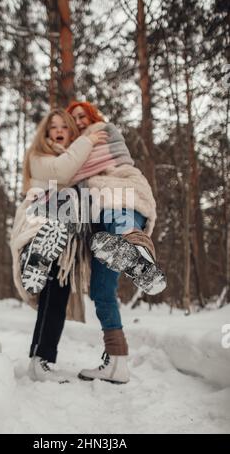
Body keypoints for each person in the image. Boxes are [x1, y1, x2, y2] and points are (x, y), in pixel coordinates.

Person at [65, 100, 166, 383]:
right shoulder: (75, 147)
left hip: (122, 189)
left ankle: (139, 254)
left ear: (92, 115)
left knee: (115, 210)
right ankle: (117, 363)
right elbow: (69, 175)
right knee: (101, 291)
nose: (80, 121)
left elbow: (110, 162)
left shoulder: (104, 130)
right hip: (100, 230)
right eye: (75, 119)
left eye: (83, 115)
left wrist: (81, 150)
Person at [10, 108, 107, 382]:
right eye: (53, 126)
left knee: (56, 296)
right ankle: (36, 257)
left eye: (63, 125)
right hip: (39, 221)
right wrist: (88, 140)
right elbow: (63, 172)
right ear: (46, 132)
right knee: (53, 293)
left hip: (64, 238)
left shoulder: (72, 158)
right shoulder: (39, 157)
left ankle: (40, 360)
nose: (58, 130)